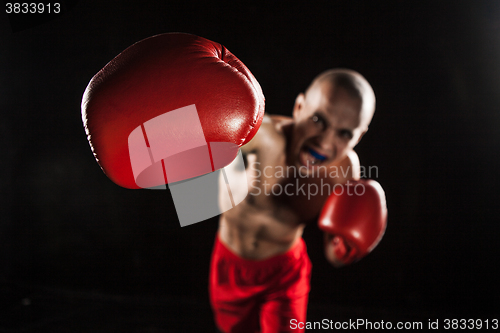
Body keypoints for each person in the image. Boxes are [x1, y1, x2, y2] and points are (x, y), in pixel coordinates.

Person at [209, 69, 380, 333]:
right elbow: (195, 176)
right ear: (299, 107)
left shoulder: (345, 172)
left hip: (285, 275)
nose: (324, 141)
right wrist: (226, 178)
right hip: (230, 266)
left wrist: (344, 250)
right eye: (317, 119)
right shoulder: (260, 135)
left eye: (345, 133)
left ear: (359, 137)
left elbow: (332, 254)